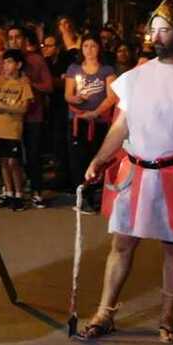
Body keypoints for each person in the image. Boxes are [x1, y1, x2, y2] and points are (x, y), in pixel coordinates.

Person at [79, 0, 173, 344]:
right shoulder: (135, 78)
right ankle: (105, 313)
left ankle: (166, 319)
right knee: (121, 245)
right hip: (136, 174)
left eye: (165, 30)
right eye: (153, 31)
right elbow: (120, 127)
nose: (156, 37)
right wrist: (100, 159)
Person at [65, 32, 116, 213]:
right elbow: (68, 95)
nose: (89, 50)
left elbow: (111, 97)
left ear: (99, 48)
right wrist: (77, 99)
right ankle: (82, 195)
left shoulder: (107, 70)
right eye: (85, 46)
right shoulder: (74, 69)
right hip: (78, 121)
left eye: (93, 46)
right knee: (79, 158)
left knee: (97, 156)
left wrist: (95, 113)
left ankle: (96, 195)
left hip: (99, 121)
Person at [0, 50, 33, 211]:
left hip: (14, 129)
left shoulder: (23, 83)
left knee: (14, 162)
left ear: (18, 65)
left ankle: (19, 194)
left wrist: (4, 107)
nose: (6, 66)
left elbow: (23, 108)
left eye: (9, 62)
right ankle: (8, 192)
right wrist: (10, 107)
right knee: (3, 161)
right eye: (4, 62)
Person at [20, 29, 53, 208]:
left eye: (18, 37)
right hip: (11, 116)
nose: (14, 41)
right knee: (13, 156)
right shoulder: (5, 61)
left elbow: (48, 86)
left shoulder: (36, 60)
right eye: (10, 37)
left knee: (33, 153)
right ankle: (15, 190)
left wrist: (31, 83)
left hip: (33, 115)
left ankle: (36, 189)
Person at [42, 33, 75, 190]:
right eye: (45, 45)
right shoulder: (46, 62)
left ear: (58, 47)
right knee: (56, 144)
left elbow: (64, 83)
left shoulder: (66, 61)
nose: (46, 49)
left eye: (50, 45)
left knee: (64, 142)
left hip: (65, 106)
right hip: (52, 107)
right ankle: (59, 176)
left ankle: (67, 178)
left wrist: (52, 82)